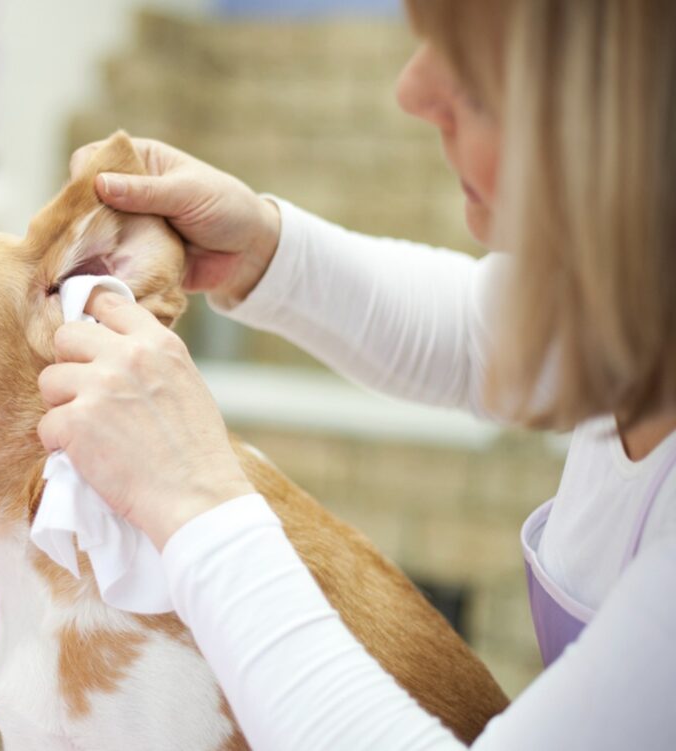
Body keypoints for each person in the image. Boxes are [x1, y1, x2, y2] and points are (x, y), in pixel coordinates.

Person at [37, 1, 676, 748]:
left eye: (472, 80)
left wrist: (195, 499)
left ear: (630, 130)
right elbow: (478, 331)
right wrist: (262, 248)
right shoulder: (641, 306)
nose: (412, 90)